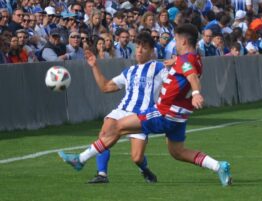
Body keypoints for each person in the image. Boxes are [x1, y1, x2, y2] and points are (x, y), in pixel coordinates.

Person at [59, 24, 232, 187]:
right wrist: (175, 62)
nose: (175, 44)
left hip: (164, 112)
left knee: (118, 127)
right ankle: (219, 166)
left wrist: (196, 93)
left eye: (177, 40)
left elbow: (191, 75)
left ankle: (80, 160)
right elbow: (188, 66)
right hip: (180, 115)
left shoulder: (183, 61)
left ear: (184, 41)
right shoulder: (195, 57)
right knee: (177, 152)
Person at [78, 32, 168, 184]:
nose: (139, 50)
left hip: (141, 115)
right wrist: (94, 66)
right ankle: (102, 174)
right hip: (122, 110)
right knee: (104, 134)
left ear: (151, 51)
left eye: (144, 48)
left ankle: (145, 170)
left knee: (136, 157)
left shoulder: (160, 68)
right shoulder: (130, 71)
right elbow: (106, 87)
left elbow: (174, 85)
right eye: (138, 46)